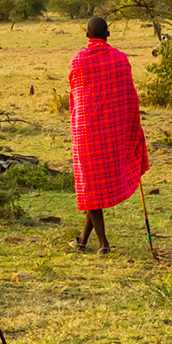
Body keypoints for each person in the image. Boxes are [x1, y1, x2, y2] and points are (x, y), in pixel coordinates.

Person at [68, 17, 149, 252]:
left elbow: (75, 95)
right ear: (108, 34)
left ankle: (103, 244)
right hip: (113, 133)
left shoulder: (78, 61)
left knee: (90, 187)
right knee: (92, 189)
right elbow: (130, 97)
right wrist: (133, 128)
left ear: (87, 35)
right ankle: (82, 241)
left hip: (86, 133)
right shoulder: (120, 59)